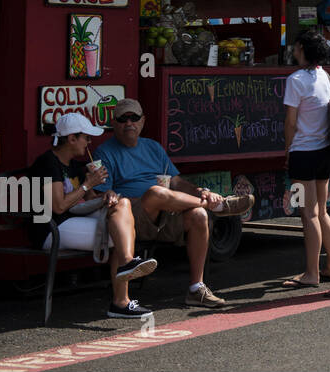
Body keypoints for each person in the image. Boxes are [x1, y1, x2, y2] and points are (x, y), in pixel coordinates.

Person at [92, 98, 254, 308]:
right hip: (133, 215)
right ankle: (218, 206)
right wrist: (111, 194)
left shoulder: (153, 147)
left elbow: (176, 181)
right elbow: (105, 194)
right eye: (123, 119)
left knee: (198, 215)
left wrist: (202, 191)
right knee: (156, 192)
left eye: (134, 118)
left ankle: (197, 288)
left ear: (143, 121)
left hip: (166, 214)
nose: (129, 123)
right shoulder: (104, 152)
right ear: (114, 123)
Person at [29, 113, 157, 319]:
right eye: (86, 137)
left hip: (74, 220)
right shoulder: (47, 163)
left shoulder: (74, 166)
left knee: (122, 204)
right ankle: (121, 298)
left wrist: (105, 194)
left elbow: (87, 199)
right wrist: (88, 184)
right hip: (50, 226)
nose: (89, 142)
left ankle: (126, 265)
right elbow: (59, 206)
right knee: (120, 234)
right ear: (71, 139)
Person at [279, 29, 330, 288]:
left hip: (302, 154)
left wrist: (286, 151)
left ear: (303, 49)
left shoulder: (295, 80)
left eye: (295, 47)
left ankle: (311, 273)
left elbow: (290, 122)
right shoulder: (324, 75)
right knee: (322, 211)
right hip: (324, 152)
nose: (293, 51)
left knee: (307, 215)